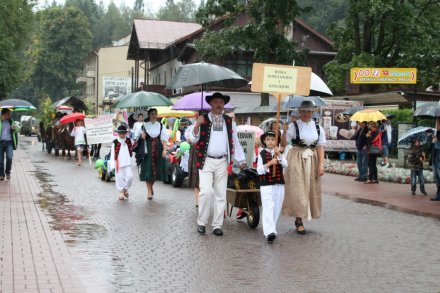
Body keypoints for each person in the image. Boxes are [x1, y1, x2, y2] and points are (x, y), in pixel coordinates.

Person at [187, 92, 247, 236]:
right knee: (206, 192)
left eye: (221, 102)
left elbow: (234, 141)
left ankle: (217, 225)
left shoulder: (229, 121)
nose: (219, 105)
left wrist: (241, 159)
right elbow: (192, 139)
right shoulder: (202, 119)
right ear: (211, 104)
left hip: (222, 161)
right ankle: (201, 222)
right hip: (206, 160)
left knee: (220, 194)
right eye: (216, 102)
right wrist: (196, 125)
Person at [281, 101, 326, 234]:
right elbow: (284, 143)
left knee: (311, 188)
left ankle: (308, 213)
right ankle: (298, 219)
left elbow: (320, 147)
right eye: (303, 111)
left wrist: (321, 164)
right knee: (298, 188)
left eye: (309, 111)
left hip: (312, 158)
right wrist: (284, 132)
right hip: (296, 158)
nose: (306, 114)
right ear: (299, 112)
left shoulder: (318, 127)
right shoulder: (293, 126)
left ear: (313, 112)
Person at [257, 131, 287, 242]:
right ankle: (269, 232)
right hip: (266, 185)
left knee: (277, 207)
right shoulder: (261, 154)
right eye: (268, 139)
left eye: (272, 139)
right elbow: (259, 170)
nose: (270, 141)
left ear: (276, 141)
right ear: (264, 141)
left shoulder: (279, 153)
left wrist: (278, 154)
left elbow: (286, 164)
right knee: (268, 207)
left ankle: (272, 229)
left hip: (279, 184)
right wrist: (269, 164)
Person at [136, 108, 169, 200]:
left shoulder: (161, 126)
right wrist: (141, 136)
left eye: (155, 114)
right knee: (148, 170)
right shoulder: (144, 126)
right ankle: (149, 191)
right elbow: (136, 138)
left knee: (156, 170)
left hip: (158, 149)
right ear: (149, 115)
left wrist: (165, 150)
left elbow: (164, 139)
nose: (154, 116)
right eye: (152, 114)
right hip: (147, 149)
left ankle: (151, 187)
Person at [110, 125, 133, 200]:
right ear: (118, 133)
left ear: (126, 133)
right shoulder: (115, 142)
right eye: (120, 133)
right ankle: (121, 191)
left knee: (130, 177)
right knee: (119, 178)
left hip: (127, 162)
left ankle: (125, 188)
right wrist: (112, 165)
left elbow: (133, 147)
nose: (122, 135)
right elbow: (113, 153)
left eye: (123, 133)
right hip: (119, 163)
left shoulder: (129, 140)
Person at [0, 109, 18, 180]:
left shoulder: (11, 121)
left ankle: (7, 172)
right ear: (3, 114)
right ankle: (1, 174)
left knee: (9, 158)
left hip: (9, 142)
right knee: (0, 160)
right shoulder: (0, 122)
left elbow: (17, 130)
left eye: (10, 114)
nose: (10, 115)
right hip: (0, 142)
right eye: (8, 114)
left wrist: (15, 128)